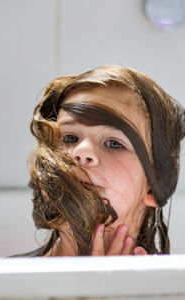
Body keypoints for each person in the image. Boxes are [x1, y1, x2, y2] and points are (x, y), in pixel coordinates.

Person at [24, 65, 185, 257]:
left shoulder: (172, 286)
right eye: (69, 138)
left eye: (114, 144)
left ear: (154, 183)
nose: (82, 151)